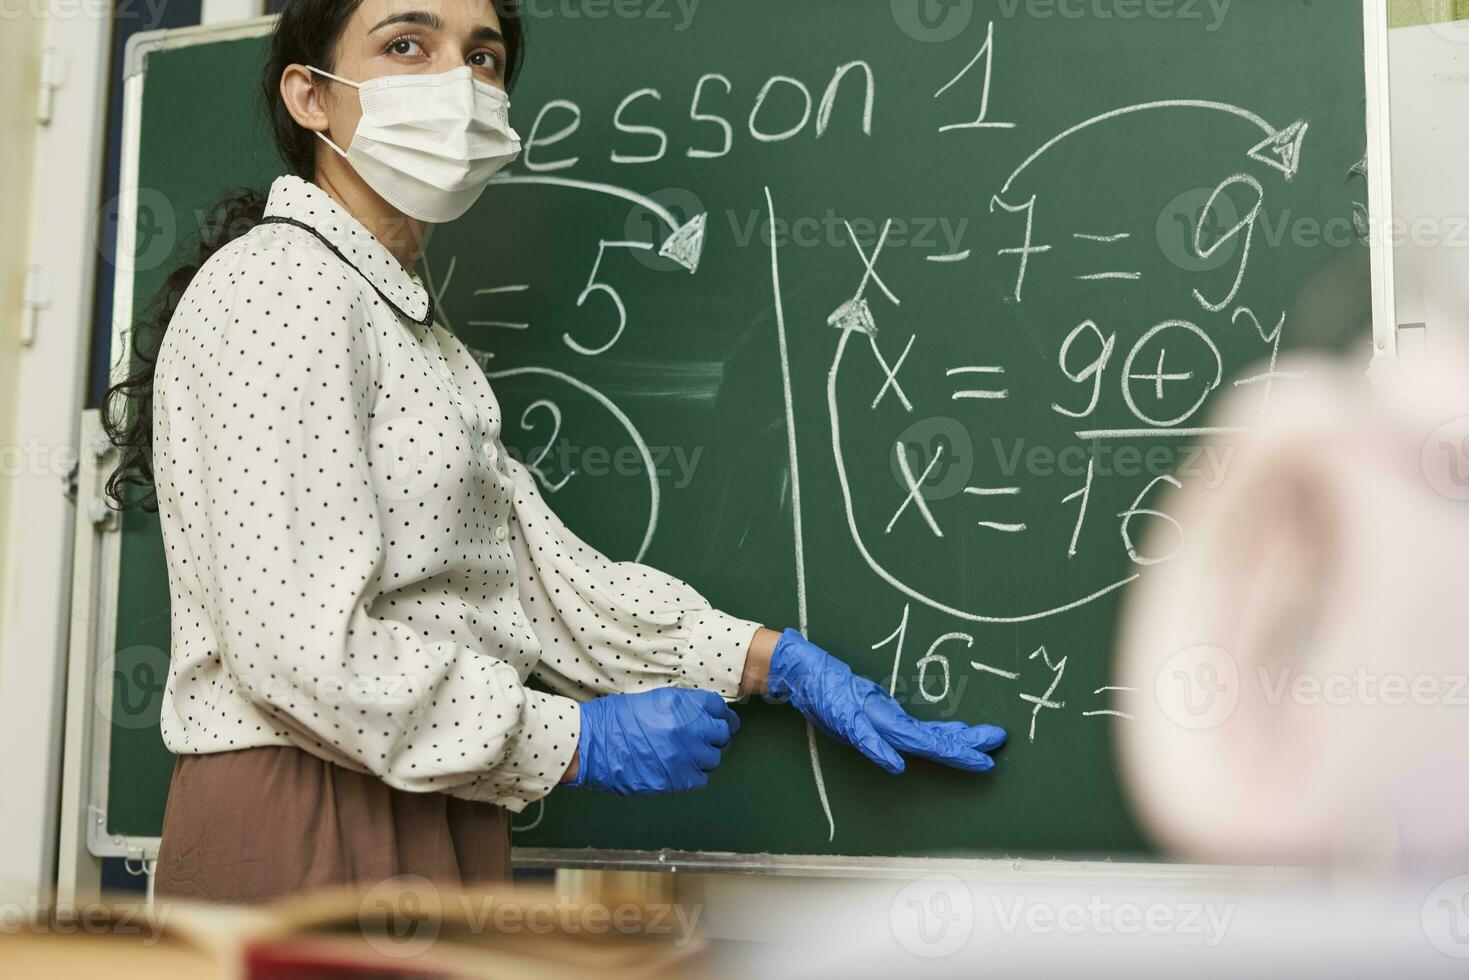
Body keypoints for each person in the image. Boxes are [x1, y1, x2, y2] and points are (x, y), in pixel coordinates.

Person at [103, 0, 1006, 904]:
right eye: (406, 45)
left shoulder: (414, 331)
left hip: (433, 805)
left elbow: (541, 585)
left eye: (483, 57)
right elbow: (300, 648)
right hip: (309, 818)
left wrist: (773, 661)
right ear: (311, 97)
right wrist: (574, 741)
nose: (457, 84)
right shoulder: (283, 284)